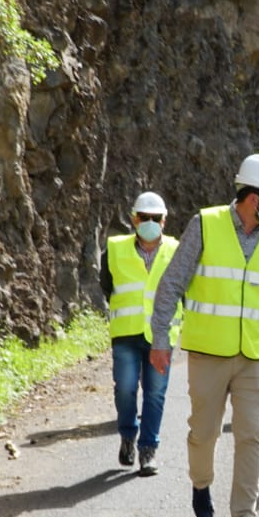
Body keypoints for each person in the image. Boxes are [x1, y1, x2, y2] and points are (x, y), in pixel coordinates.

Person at [148, 154, 259, 517]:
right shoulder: (206, 224)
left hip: (255, 352)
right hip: (208, 353)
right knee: (204, 433)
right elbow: (172, 284)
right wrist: (160, 339)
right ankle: (201, 484)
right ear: (253, 197)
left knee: (252, 435)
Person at [100, 191, 179, 475]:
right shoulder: (115, 249)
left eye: (155, 218)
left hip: (161, 335)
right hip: (126, 333)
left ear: (164, 221)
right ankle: (127, 435)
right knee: (125, 388)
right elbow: (106, 285)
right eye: (143, 217)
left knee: (155, 393)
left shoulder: (175, 250)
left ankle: (148, 450)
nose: (149, 222)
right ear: (134, 219)